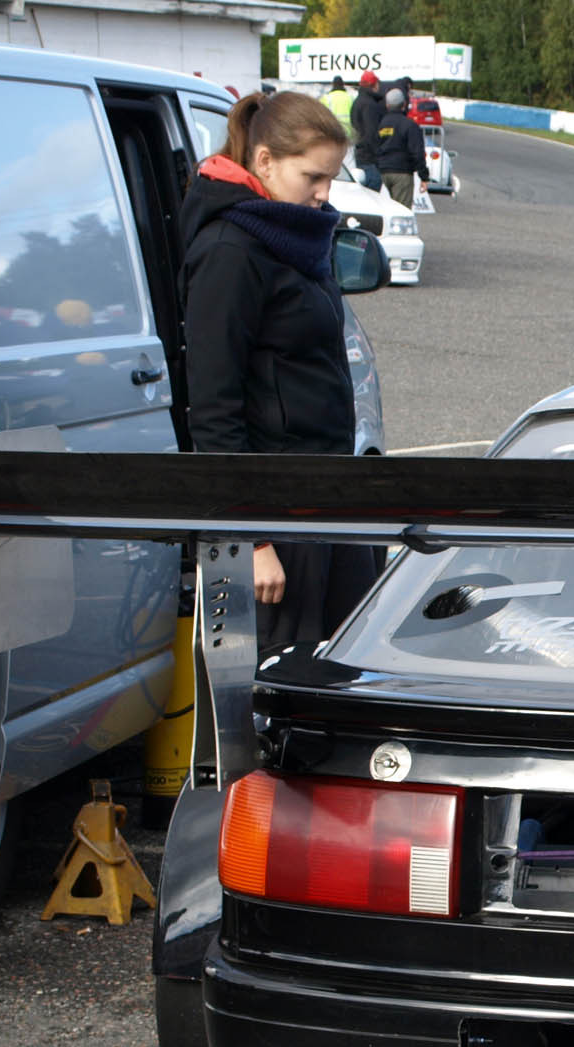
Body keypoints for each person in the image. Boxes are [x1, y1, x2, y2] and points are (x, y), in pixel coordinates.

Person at [179, 89, 380, 656]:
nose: (323, 194)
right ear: (264, 161)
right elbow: (214, 410)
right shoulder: (230, 251)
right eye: (313, 177)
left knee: (342, 675)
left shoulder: (294, 237)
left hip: (328, 501)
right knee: (279, 695)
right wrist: (251, 538)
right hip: (277, 519)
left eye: (331, 179)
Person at [374, 88, 427, 208]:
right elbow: (417, 153)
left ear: (387, 105)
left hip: (382, 172)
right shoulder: (410, 125)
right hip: (402, 173)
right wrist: (424, 176)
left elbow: (376, 147)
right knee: (401, 211)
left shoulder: (381, 124)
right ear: (404, 104)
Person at [348, 69, 384, 190]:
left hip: (360, 155)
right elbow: (371, 133)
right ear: (374, 85)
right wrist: (378, 155)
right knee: (372, 194)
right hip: (370, 158)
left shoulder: (358, 102)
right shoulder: (370, 105)